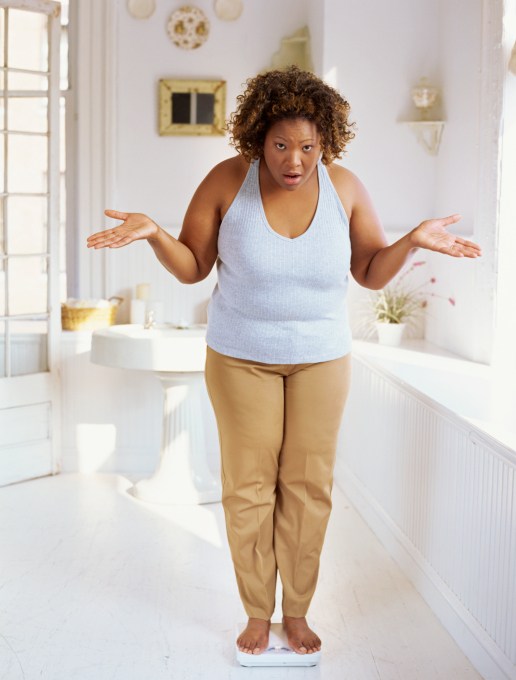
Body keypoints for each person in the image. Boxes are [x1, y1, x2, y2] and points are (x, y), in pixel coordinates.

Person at [87, 66, 482, 657]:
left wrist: (412, 240)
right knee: (247, 488)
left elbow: (370, 272)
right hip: (239, 358)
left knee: (307, 487)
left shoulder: (345, 188)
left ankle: (296, 612)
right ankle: (255, 611)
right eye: (280, 145)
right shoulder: (226, 181)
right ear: (257, 139)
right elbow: (194, 266)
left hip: (322, 360)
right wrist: (153, 233)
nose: (294, 160)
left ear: (326, 142)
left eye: (307, 146)